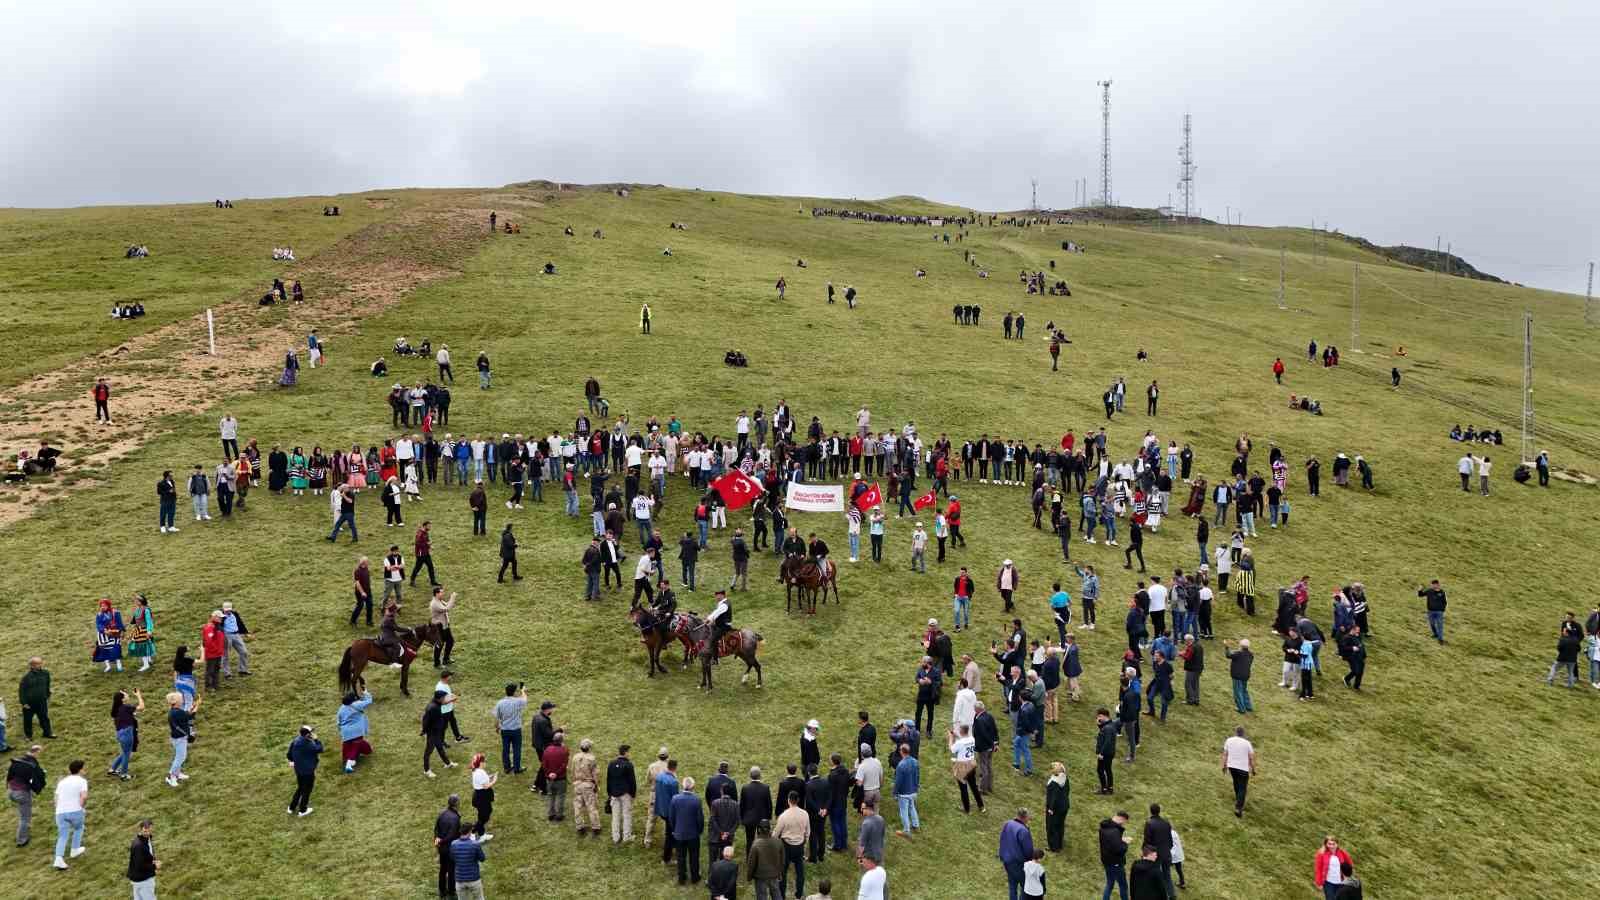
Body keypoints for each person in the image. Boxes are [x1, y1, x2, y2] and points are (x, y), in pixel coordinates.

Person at [51, 758, 88, 869]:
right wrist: (81, 807)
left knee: (62, 836)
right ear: (80, 770)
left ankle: (58, 859)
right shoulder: (82, 781)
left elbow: (56, 798)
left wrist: (59, 809)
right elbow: (84, 796)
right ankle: (74, 850)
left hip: (60, 812)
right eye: (84, 768)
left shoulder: (62, 781)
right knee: (79, 828)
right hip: (75, 810)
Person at [7, 743, 46, 847]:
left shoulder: (17, 762)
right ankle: (21, 840)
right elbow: (33, 780)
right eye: (39, 753)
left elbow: (10, 776)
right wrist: (38, 786)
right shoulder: (30, 766)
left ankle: (24, 830)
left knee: (23, 813)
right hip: (21, 794)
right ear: (36, 752)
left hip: (11, 791)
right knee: (25, 817)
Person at [670, 777, 705, 885]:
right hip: (693, 834)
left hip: (679, 834)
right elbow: (700, 819)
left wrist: (675, 829)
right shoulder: (697, 800)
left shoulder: (675, 799)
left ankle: (682, 878)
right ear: (693, 787)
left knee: (681, 857)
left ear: (683, 786)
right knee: (694, 857)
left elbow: (671, 817)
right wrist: (699, 831)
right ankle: (695, 877)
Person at [286, 724, 324, 817]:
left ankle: (291, 807)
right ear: (308, 735)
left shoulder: (295, 741)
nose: (313, 733)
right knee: (307, 790)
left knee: (300, 788)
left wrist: (292, 761)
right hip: (308, 771)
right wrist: (316, 740)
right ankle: (303, 810)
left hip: (298, 769)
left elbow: (289, 754)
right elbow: (320, 749)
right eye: (311, 732)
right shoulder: (307, 744)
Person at [999, 808, 1035, 900]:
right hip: (1019, 864)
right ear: (1025, 817)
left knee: (1012, 886)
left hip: (1007, 861)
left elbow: (1002, 839)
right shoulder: (1023, 831)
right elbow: (1028, 851)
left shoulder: (1008, 824)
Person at [337, 689, 374, 773]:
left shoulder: (341, 708)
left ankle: (349, 758)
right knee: (356, 744)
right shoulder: (357, 705)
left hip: (345, 732)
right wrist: (365, 692)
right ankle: (349, 764)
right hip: (356, 731)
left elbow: (338, 721)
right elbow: (369, 700)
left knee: (359, 746)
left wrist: (340, 730)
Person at [1222, 726, 1255, 817]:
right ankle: (1238, 808)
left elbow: (1225, 754)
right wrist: (1253, 769)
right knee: (1242, 788)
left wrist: (1224, 766)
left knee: (1236, 783)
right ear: (1243, 734)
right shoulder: (1247, 743)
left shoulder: (1229, 740)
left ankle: (1238, 799)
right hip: (1243, 768)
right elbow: (1251, 758)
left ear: (1236, 732)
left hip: (1232, 767)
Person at [450, 827, 488, 900]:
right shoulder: (475, 844)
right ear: (470, 832)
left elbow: (452, 858)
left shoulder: (453, 844)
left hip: (459, 880)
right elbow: (482, 858)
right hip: (474, 879)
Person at [127, 818, 159, 899]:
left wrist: (153, 861)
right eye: (145, 831)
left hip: (138, 879)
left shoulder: (146, 840)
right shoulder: (138, 845)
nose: (148, 833)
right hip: (144, 880)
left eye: (149, 830)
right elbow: (140, 865)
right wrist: (155, 866)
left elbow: (146, 856)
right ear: (140, 830)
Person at [1043, 761, 1069, 852]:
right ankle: (1059, 844)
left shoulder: (1054, 783)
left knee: (1052, 826)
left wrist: (1051, 808)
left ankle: (1054, 847)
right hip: (1064, 806)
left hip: (1055, 808)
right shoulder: (1064, 778)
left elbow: (1054, 797)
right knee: (1060, 825)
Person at [1224, 639, 1253, 713]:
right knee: (1244, 690)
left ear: (1241, 646)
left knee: (1238, 692)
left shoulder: (1238, 653)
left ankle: (1241, 709)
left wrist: (1227, 647)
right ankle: (1248, 706)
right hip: (1246, 675)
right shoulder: (1251, 654)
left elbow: (1228, 655)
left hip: (1237, 675)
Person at [1417, 580, 1447, 644]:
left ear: (1437, 585)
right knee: (1432, 624)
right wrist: (1420, 590)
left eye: (1433, 585)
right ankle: (1435, 634)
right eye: (1431, 585)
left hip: (1439, 612)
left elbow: (1444, 602)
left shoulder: (1442, 592)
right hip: (1430, 611)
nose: (1432, 586)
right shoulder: (1429, 591)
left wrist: (1442, 610)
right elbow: (1420, 595)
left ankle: (1440, 639)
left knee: (1440, 625)